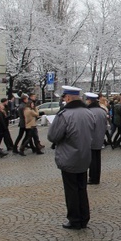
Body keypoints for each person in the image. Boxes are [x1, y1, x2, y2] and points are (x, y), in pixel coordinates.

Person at [47, 86, 95, 230]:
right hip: (84, 156)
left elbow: (53, 136)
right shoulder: (88, 112)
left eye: (64, 97)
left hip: (69, 157)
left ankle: (74, 219)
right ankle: (84, 217)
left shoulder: (65, 115)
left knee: (71, 190)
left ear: (68, 98)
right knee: (82, 188)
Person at [86, 92, 108, 184]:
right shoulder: (102, 111)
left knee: (92, 161)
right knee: (97, 159)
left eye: (87, 100)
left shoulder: (89, 112)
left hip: (91, 138)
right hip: (100, 138)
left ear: (90, 100)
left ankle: (93, 178)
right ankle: (96, 177)